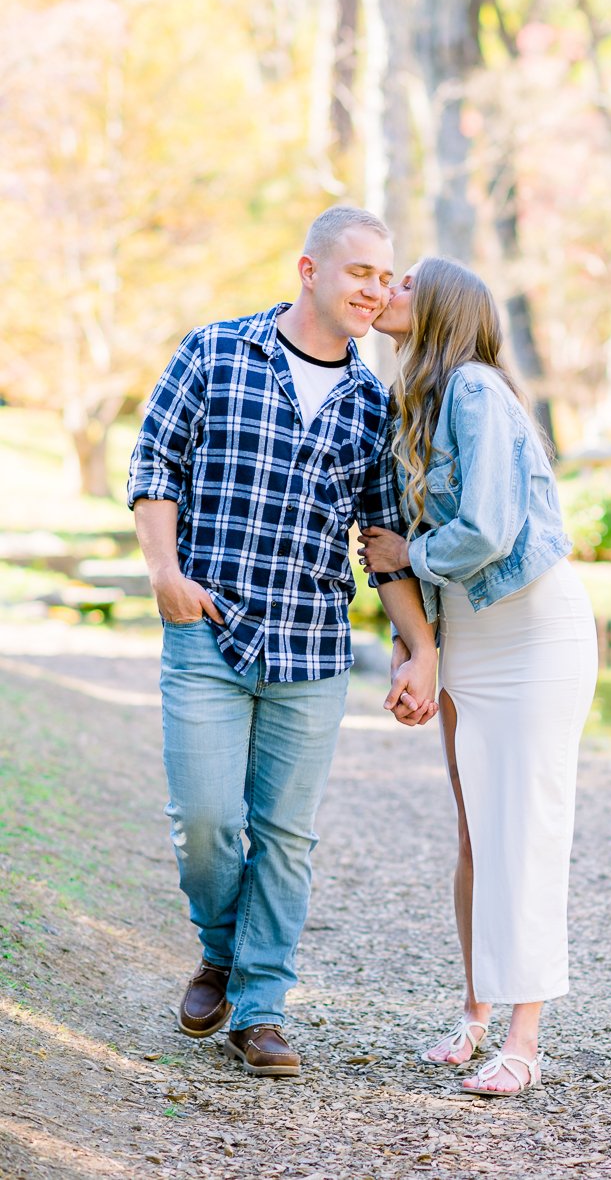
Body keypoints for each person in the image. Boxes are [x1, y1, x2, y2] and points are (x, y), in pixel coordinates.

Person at [128, 207, 438, 1078]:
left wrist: (419, 648)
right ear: (310, 271)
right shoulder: (215, 351)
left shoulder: (372, 403)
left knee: (286, 836)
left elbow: (382, 541)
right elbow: (156, 462)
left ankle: (258, 1007)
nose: (377, 290)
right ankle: (221, 950)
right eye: (361, 274)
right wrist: (164, 573)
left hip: (310, 650)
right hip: (209, 632)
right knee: (206, 821)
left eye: (387, 277)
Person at [359, 257, 598, 1097]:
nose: (384, 293)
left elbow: (489, 530)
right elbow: (409, 548)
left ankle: (524, 1042)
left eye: (402, 285)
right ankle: (473, 1014)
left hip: (533, 635)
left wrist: (407, 554)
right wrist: (413, 644)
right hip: (469, 634)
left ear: (441, 309)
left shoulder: (472, 390)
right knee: (473, 833)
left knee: (523, 832)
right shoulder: (411, 405)